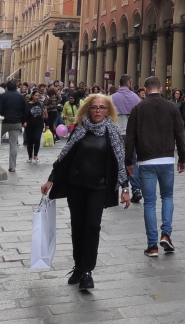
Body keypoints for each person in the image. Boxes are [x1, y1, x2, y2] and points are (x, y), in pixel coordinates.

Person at [42, 94, 130, 289]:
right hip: (76, 186)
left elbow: (119, 161)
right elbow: (64, 156)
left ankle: (88, 271)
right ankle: (79, 267)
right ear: (88, 109)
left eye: (102, 107)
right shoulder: (79, 130)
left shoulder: (113, 132)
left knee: (92, 226)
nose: (98, 111)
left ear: (108, 111)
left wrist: (125, 187)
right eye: (94, 107)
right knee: (77, 227)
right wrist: (51, 179)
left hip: (99, 187)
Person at [125, 76, 185, 258]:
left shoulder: (138, 109)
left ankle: (152, 245)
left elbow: (130, 138)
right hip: (167, 159)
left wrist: (128, 162)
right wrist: (182, 158)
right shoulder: (172, 107)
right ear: (160, 89)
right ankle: (166, 234)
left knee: (149, 203)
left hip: (146, 161)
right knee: (167, 197)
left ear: (144, 89)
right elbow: (180, 134)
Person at [0, 80, 28, 172]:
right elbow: (25, 110)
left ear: (7, 88)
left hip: (4, 122)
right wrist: (24, 121)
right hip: (16, 122)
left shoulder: (3, 96)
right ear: (16, 88)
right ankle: (12, 166)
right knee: (13, 145)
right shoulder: (21, 97)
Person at [24, 91, 46, 164]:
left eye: (38, 96)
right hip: (30, 124)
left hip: (39, 124)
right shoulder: (27, 105)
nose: (37, 97)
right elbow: (25, 114)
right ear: (32, 96)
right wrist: (24, 121)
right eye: (35, 95)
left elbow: (43, 114)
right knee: (30, 140)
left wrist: (47, 123)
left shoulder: (40, 104)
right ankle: (30, 156)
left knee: (37, 139)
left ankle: (35, 155)